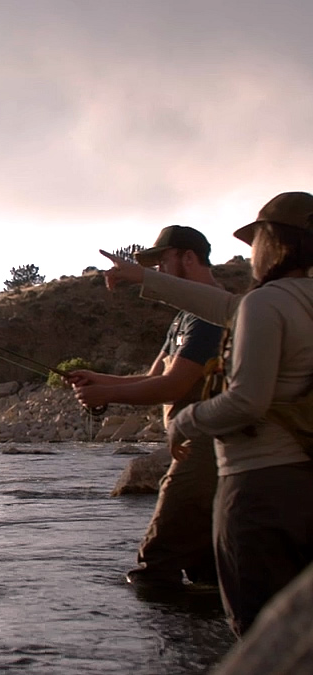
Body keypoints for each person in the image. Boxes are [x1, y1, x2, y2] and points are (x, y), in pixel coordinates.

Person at [100, 191, 313, 637]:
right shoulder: (290, 300)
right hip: (302, 480)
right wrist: (144, 277)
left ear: (276, 243)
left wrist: (186, 421)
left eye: (258, 240)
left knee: (257, 631)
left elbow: (247, 402)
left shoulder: (267, 302)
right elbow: (224, 308)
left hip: (260, 486)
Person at [68, 226, 223, 591]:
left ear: (188, 257)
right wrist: (98, 380)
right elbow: (153, 376)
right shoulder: (184, 318)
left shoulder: (211, 315)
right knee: (209, 572)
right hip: (187, 447)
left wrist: (106, 394)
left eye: (161, 261)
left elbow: (174, 386)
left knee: (154, 568)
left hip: (206, 450)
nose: (157, 272)